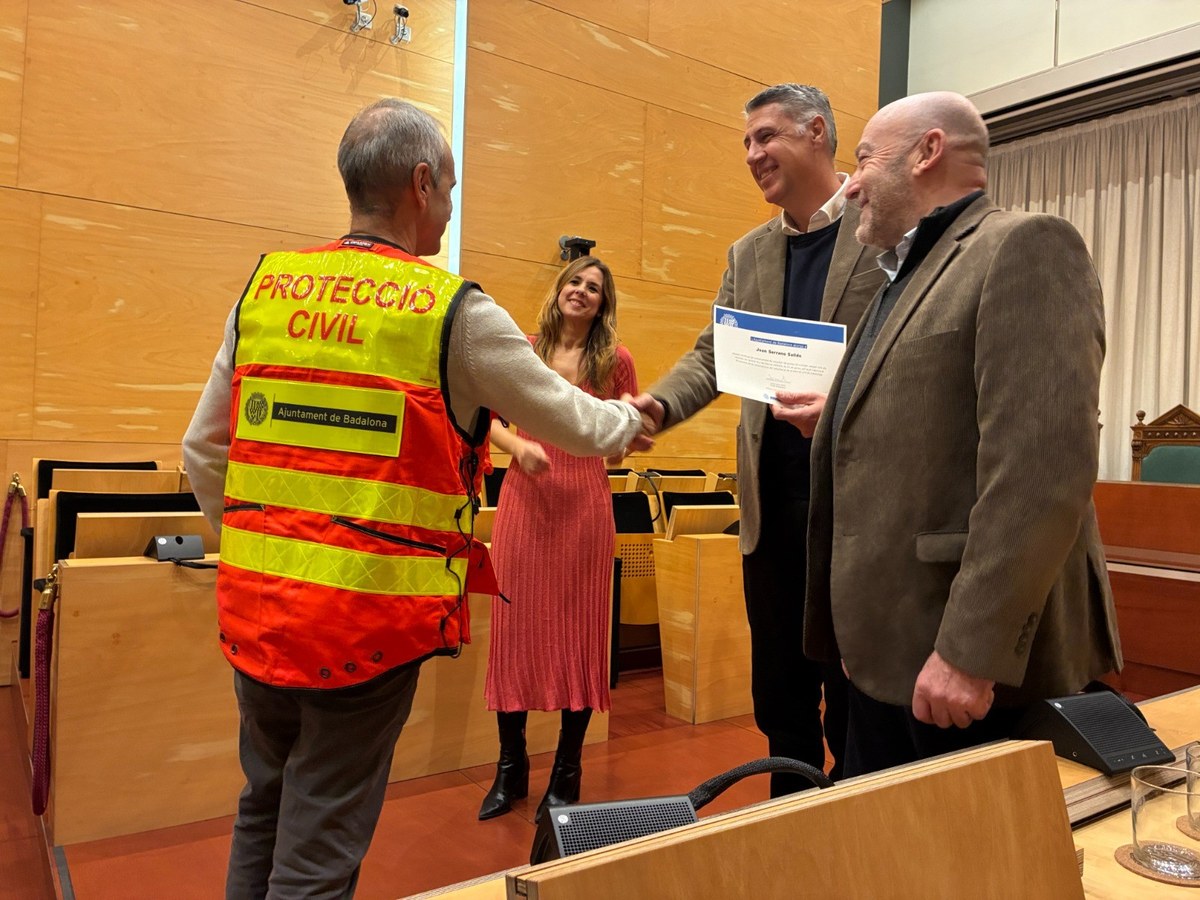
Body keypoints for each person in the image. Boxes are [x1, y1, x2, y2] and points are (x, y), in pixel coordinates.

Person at [182, 98, 647, 899]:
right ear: (421, 184)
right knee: (319, 846)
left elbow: (202, 449)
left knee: (264, 806)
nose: (452, 205)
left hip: (255, 611)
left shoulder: (264, 289)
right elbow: (577, 421)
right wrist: (640, 418)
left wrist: (260, 548)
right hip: (362, 628)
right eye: (453, 188)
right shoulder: (451, 311)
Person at [804, 91, 1123, 778]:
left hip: (965, 672)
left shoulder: (1026, 245)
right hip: (890, 651)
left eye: (864, 160)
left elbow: (1042, 471)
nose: (850, 186)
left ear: (928, 152)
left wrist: (971, 653)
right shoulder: (900, 278)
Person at [626, 84, 884, 794]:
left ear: (817, 132)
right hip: (770, 516)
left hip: (856, 513)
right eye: (745, 142)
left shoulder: (885, 229)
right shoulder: (749, 254)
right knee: (781, 697)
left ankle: (852, 826)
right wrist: (656, 406)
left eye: (766, 136)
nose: (752, 154)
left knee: (855, 704)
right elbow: (714, 356)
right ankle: (787, 823)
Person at [478, 256, 638, 822]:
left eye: (594, 287)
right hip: (525, 501)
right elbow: (483, 418)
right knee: (515, 630)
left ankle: (567, 770)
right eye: (575, 281)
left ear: (602, 304)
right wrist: (519, 447)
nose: (582, 291)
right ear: (560, 289)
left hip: (585, 505)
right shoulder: (523, 350)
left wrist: (625, 433)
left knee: (580, 632)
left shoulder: (616, 361)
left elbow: (619, 445)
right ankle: (510, 767)